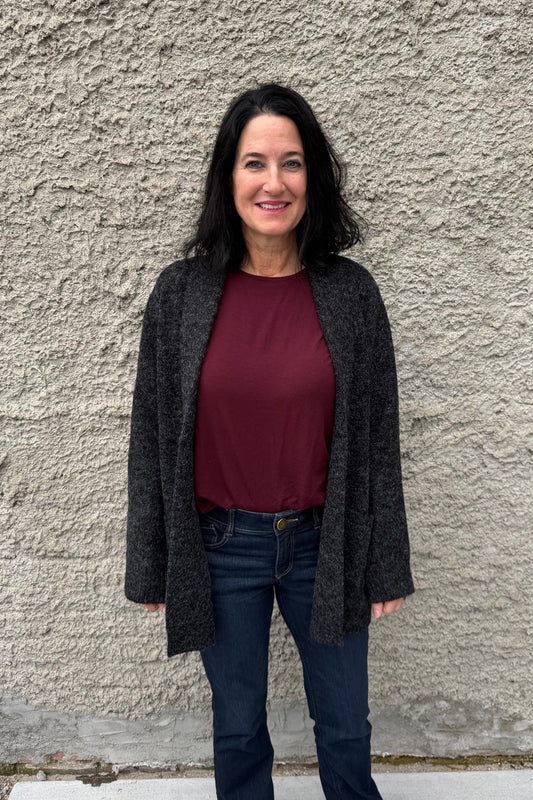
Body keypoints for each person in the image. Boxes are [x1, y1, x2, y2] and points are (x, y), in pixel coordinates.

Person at [125, 83, 415, 800]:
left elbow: (377, 437)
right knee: (237, 725)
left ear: (312, 177)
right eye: (255, 162)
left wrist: (384, 561)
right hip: (221, 545)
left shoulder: (351, 295)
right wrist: (154, 561)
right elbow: (152, 435)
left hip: (327, 541)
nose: (273, 182)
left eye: (291, 162)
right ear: (229, 178)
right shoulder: (180, 294)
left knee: (345, 725)